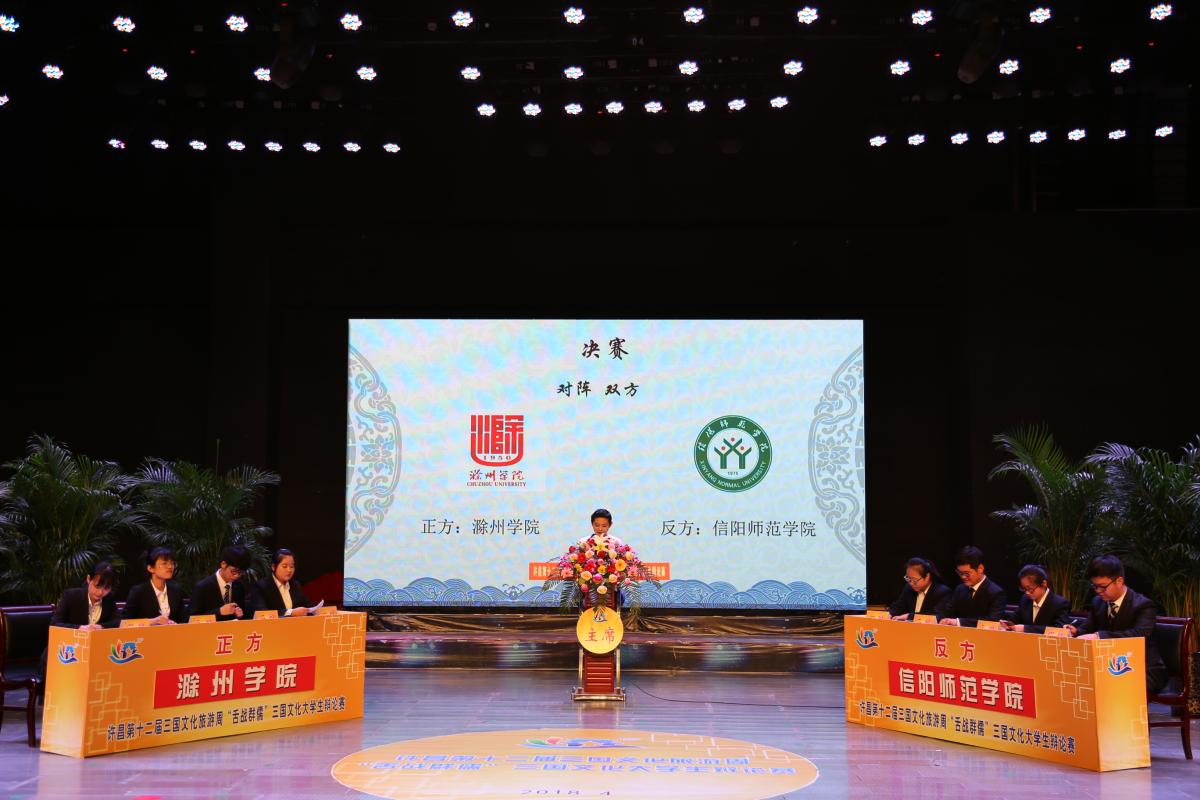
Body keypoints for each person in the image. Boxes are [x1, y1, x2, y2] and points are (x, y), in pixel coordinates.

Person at [1066, 555, 1167, 693]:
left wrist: (1099, 637)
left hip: (1141, 667)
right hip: (1107, 665)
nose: (1098, 591)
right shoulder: (1098, 602)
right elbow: (1089, 627)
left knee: (1111, 688)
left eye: (1102, 587)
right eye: (1095, 586)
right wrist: (1076, 631)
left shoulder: (1143, 605)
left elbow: (1139, 635)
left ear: (1119, 581)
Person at [935, 545, 1007, 627]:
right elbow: (947, 612)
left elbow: (992, 621)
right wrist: (935, 619)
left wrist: (958, 622)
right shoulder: (960, 589)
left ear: (980, 569)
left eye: (967, 573)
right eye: (960, 573)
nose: (963, 577)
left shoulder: (996, 593)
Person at [123, 547, 188, 625]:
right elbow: (125, 622)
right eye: (164, 563)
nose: (170, 566)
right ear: (150, 568)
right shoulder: (138, 592)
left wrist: (176, 625)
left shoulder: (176, 590)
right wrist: (153, 621)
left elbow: (184, 620)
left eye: (172, 563)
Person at [1000, 564, 1072, 634]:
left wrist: (1026, 629)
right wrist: (1008, 623)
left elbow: (1059, 629)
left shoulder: (1060, 603)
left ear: (1044, 584)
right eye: (1024, 589)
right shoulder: (1025, 599)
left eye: (1030, 589)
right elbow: (1015, 618)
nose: (1027, 593)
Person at [51, 561, 120, 630]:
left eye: (106, 588)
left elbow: (117, 622)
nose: (100, 592)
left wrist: (101, 626)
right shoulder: (71, 596)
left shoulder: (109, 598)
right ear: (88, 579)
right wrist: (80, 628)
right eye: (97, 586)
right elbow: (54, 624)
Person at [191, 544, 253, 621]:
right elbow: (192, 619)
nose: (237, 576)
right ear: (223, 564)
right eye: (234, 572)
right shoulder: (202, 587)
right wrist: (219, 612)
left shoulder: (239, 586)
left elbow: (243, 615)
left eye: (240, 573)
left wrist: (239, 615)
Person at [254, 548, 314, 616]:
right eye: (284, 566)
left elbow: (308, 606)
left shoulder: (295, 585)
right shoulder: (261, 586)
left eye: (292, 566)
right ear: (273, 567)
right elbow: (262, 613)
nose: (289, 570)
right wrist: (290, 613)